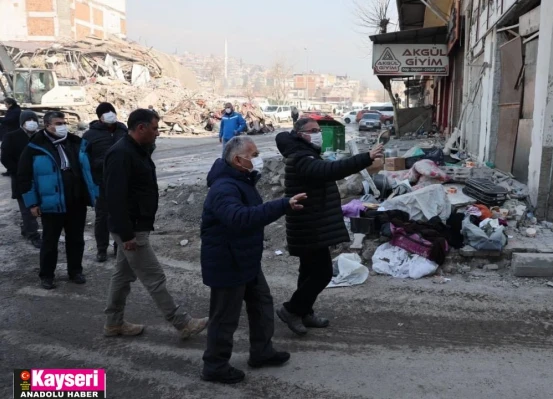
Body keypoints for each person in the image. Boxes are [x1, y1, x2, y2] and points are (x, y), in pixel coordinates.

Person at [200, 136, 307, 384]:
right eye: (254, 154)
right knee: (225, 316)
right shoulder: (224, 187)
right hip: (227, 261)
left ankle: (261, 351)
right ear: (238, 160)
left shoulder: (240, 180)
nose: (257, 159)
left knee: (261, 302)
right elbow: (239, 218)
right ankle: (214, 365)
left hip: (244, 257)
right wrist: (283, 205)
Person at [103, 109, 208, 339]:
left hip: (135, 225)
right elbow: (114, 197)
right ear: (141, 128)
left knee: (123, 276)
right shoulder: (121, 154)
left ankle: (113, 323)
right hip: (130, 228)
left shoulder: (136, 150)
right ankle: (182, 322)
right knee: (154, 276)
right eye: (154, 128)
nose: (158, 133)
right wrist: (127, 234)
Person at [274, 118, 384, 335]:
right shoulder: (301, 157)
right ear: (299, 134)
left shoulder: (305, 153)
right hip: (309, 226)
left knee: (308, 272)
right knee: (322, 273)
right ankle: (292, 310)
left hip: (311, 224)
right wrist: (366, 157)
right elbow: (331, 170)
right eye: (312, 130)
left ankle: (304, 312)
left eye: (319, 130)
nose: (318, 134)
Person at [17, 111, 99, 289]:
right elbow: (24, 177)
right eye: (58, 123)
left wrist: (94, 192)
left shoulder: (76, 143)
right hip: (51, 202)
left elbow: (89, 170)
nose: (62, 126)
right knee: (50, 242)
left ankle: (75, 271)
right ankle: (47, 276)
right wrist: (32, 203)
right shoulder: (35, 147)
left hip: (76, 201)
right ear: (47, 125)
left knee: (76, 239)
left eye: (63, 122)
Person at [83, 102, 128, 262]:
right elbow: (84, 160)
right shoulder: (90, 135)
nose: (110, 115)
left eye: (112, 111)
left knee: (121, 215)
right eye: (106, 113)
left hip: (123, 181)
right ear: (99, 118)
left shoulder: (123, 130)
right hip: (101, 182)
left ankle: (119, 248)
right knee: (102, 217)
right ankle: (101, 249)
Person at [1, 110, 42, 248]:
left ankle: (27, 229)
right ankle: (33, 235)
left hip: (39, 178)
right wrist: (18, 171)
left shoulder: (40, 136)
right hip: (21, 179)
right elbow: (5, 157)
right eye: (28, 120)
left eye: (34, 119)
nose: (31, 122)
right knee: (27, 208)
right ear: (22, 123)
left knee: (37, 207)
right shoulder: (12, 137)